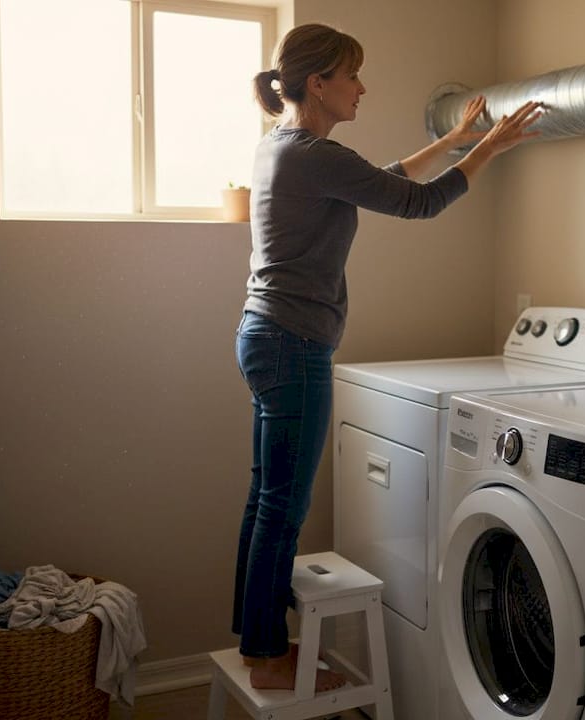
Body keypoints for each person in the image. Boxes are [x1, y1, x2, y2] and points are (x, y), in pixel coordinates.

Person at [232, 23, 542, 692]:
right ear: (320, 84)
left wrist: (456, 142)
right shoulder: (312, 154)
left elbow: (384, 180)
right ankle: (267, 658)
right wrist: (491, 146)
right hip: (293, 343)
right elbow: (418, 202)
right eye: (353, 75)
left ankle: (258, 642)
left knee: (268, 500)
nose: (362, 88)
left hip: (266, 335)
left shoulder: (283, 148)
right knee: (282, 506)